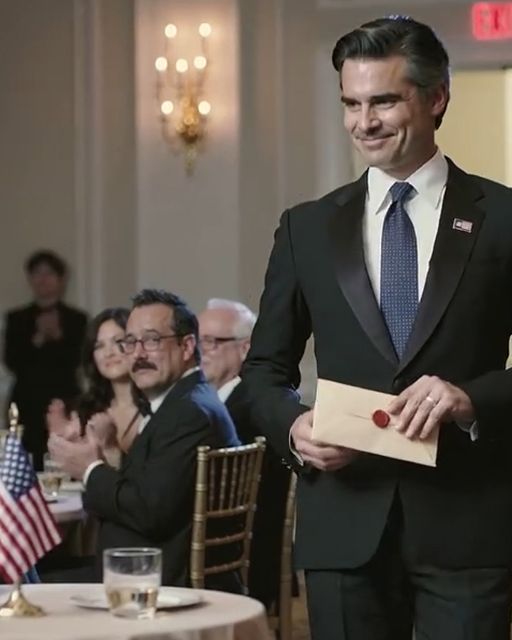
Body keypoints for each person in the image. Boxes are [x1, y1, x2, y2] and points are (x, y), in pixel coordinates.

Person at [242, 16, 512, 640]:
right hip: (343, 523)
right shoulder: (306, 228)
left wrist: (470, 398)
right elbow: (263, 370)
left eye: (384, 101)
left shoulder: (502, 218)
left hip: (466, 526)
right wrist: (293, 428)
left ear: (436, 98)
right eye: (351, 103)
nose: (364, 122)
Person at [48, 289, 240, 587]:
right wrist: (102, 455)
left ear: (187, 346)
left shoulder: (189, 412)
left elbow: (151, 513)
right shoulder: (184, 401)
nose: (137, 354)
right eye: (130, 342)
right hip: (138, 569)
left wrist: (89, 468)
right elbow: (145, 491)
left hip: (154, 582)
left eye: (151, 340)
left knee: (20, 583)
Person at [199, 298, 291, 608]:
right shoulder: (226, 402)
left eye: (211, 342)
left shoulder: (246, 409)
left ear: (245, 348)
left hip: (240, 565)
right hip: (237, 558)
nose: (200, 351)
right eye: (197, 341)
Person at [3, 250, 87, 469]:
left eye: (49, 273)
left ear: (61, 279)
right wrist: (38, 338)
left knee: (64, 459)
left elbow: (79, 360)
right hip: (26, 402)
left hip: (65, 398)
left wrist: (58, 336)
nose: (43, 279)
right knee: (23, 464)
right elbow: (12, 361)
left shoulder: (76, 319)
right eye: (37, 274)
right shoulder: (17, 318)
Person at [46, 307, 143, 464]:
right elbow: (73, 473)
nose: (108, 353)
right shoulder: (86, 411)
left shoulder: (157, 407)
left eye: (118, 341)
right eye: (99, 346)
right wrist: (66, 445)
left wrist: (110, 446)